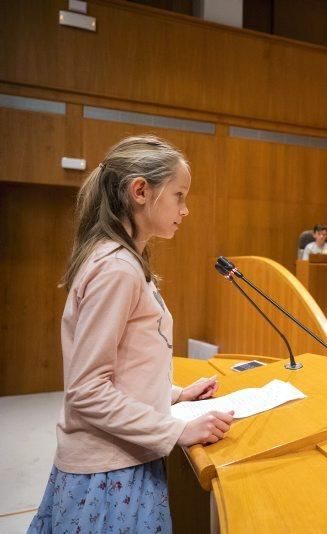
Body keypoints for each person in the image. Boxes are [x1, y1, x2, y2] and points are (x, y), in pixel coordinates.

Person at [28, 136, 234, 533]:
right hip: (109, 469)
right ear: (141, 191)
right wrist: (178, 429)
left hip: (118, 457)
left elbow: (122, 365)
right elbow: (88, 390)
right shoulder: (116, 269)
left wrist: (173, 394)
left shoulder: (124, 260)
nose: (185, 209)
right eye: (178, 196)